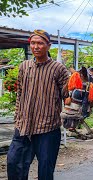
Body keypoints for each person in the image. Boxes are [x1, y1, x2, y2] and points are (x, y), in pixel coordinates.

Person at [7, 29, 69, 180]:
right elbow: (20, 94)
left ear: (49, 45)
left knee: (45, 171)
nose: (36, 46)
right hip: (24, 127)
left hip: (48, 128)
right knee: (14, 164)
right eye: (33, 43)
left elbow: (67, 96)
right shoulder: (24, 66)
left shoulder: (58, 69)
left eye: (40, 43)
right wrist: (18, 118)